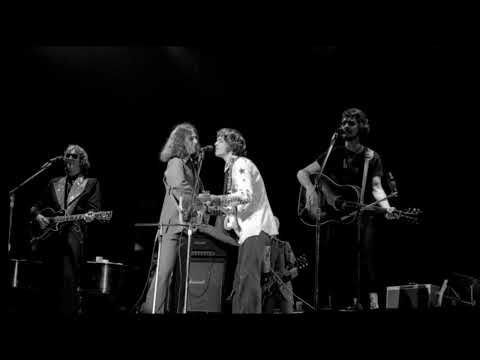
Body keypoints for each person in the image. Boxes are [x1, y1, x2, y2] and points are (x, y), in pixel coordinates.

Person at [297, 108, 395, 310]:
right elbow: (303, 173)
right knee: (333, 258)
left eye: (351, 123)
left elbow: (377, 187)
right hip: (334, 215)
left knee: (366, 255)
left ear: (361, 126)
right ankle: (335, 303)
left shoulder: (371, 157)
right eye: (343, 123)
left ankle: (371, 301)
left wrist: (387, 208)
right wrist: (310, 190)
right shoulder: (334, 152)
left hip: (362, 213)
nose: (345, 127)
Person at [198, 128, 278, 313]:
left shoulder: (240, 163)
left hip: (255, 229)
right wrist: (210, 207)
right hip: (248, 234)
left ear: (231, 144)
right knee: (240, 285)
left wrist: (217, 199)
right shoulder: (231, 169)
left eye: (220, 139)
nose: (215, 143)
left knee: (247, 284)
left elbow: (245, 195)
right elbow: (234, 206)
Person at [140, 122, 203, 314]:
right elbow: (181, 188)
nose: (196, 141)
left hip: (186, 228)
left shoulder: (191, 167)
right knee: (164, 274)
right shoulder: (175, 163)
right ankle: (151, 310)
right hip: (172, 227)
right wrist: (200, 204)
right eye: (191, 138)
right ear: (181, 142)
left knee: (180, 279)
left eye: (196, 138)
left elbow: (197, 191)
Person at [31, 144, 101, 317]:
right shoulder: (54, 182)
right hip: (49, 238)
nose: (69, 158)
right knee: (47, 281)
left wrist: (91, 216)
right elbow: (35, 206)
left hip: (73, 235)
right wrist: (38, 216)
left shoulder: (90, 183)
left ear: (82, 161)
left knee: (68, 281)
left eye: (74, 156)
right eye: (67, 155)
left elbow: (94, 209)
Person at [262, 217, 298, 314]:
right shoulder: (262, 247)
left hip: (284, 290)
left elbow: (295, 268)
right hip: (267, 292)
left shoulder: (284, 245)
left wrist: (288, 275)